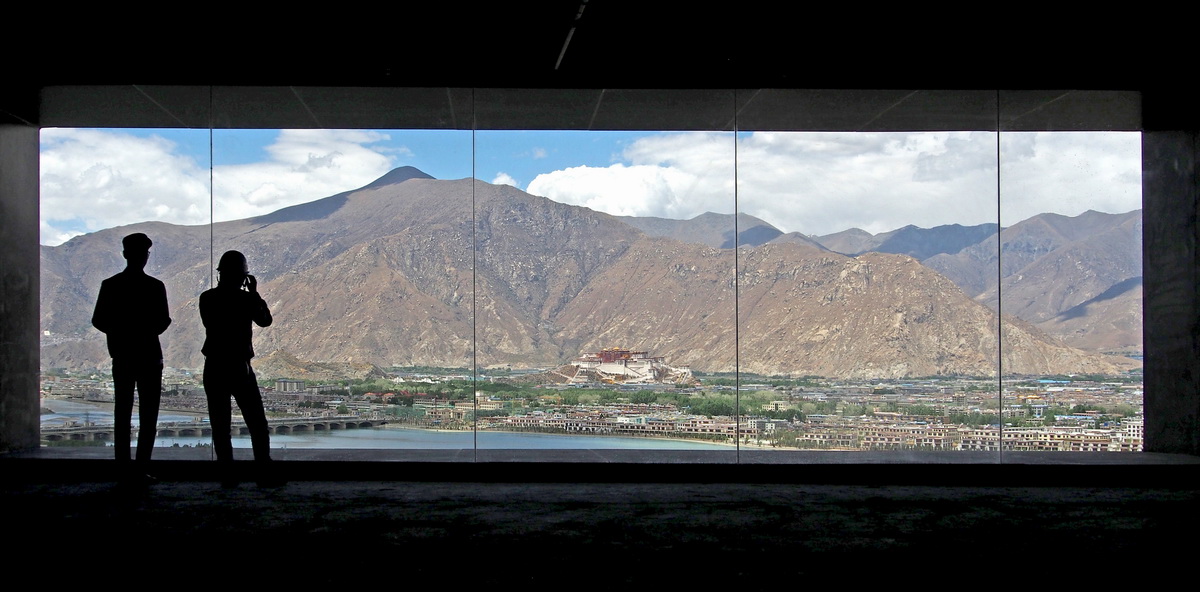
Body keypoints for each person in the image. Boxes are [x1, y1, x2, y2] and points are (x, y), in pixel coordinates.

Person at [91, 232, 171, 484]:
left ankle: (122, 468)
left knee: (122, 412)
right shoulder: (155, 287)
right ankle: (141, 469)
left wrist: (119, 332)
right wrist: (144, 330)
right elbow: (163, 321)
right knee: (149, 415)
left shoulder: (110, 285)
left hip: (122, 356)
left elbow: (99, 320)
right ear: (144, 256)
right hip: (149, 356)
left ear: (125, 254)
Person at [199, 250, 283, 487]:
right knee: (256, 422)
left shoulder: (207, 298)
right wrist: (254, 293)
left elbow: (211, 323)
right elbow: (265, 320)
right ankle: (264, 472)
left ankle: (227, 475)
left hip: (214, 366)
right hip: (239, 367)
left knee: (220, 423)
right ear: (243, 276)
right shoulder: (245, 300)